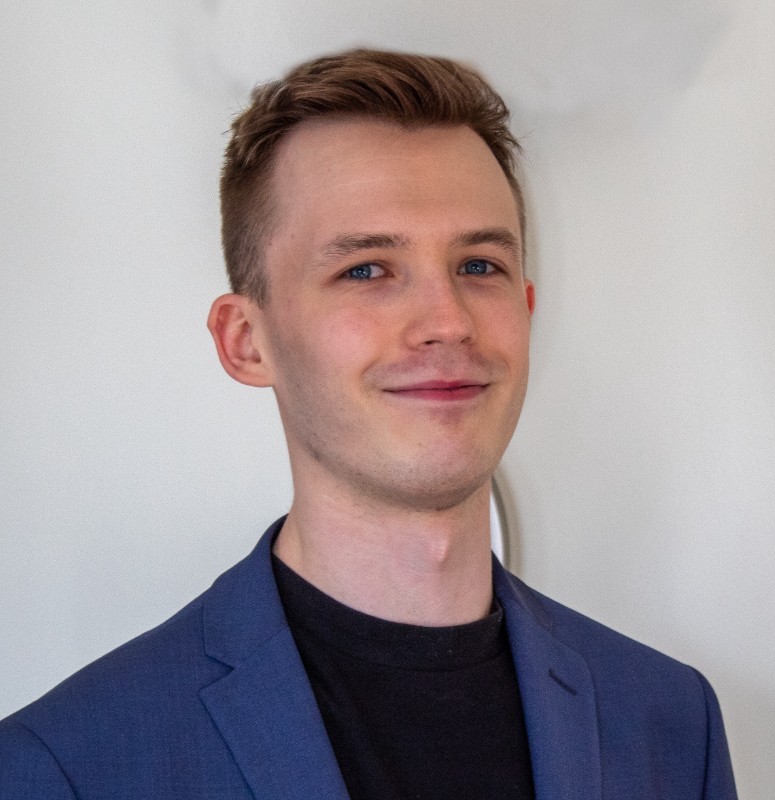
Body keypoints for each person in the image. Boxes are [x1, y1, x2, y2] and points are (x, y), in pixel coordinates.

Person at [0, 48, 737, 799]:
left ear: (525, 309)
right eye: (365, 270)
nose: (447, 321)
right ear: (246, 341)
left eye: (479, 265)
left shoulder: (671, 722)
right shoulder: (66, 765)